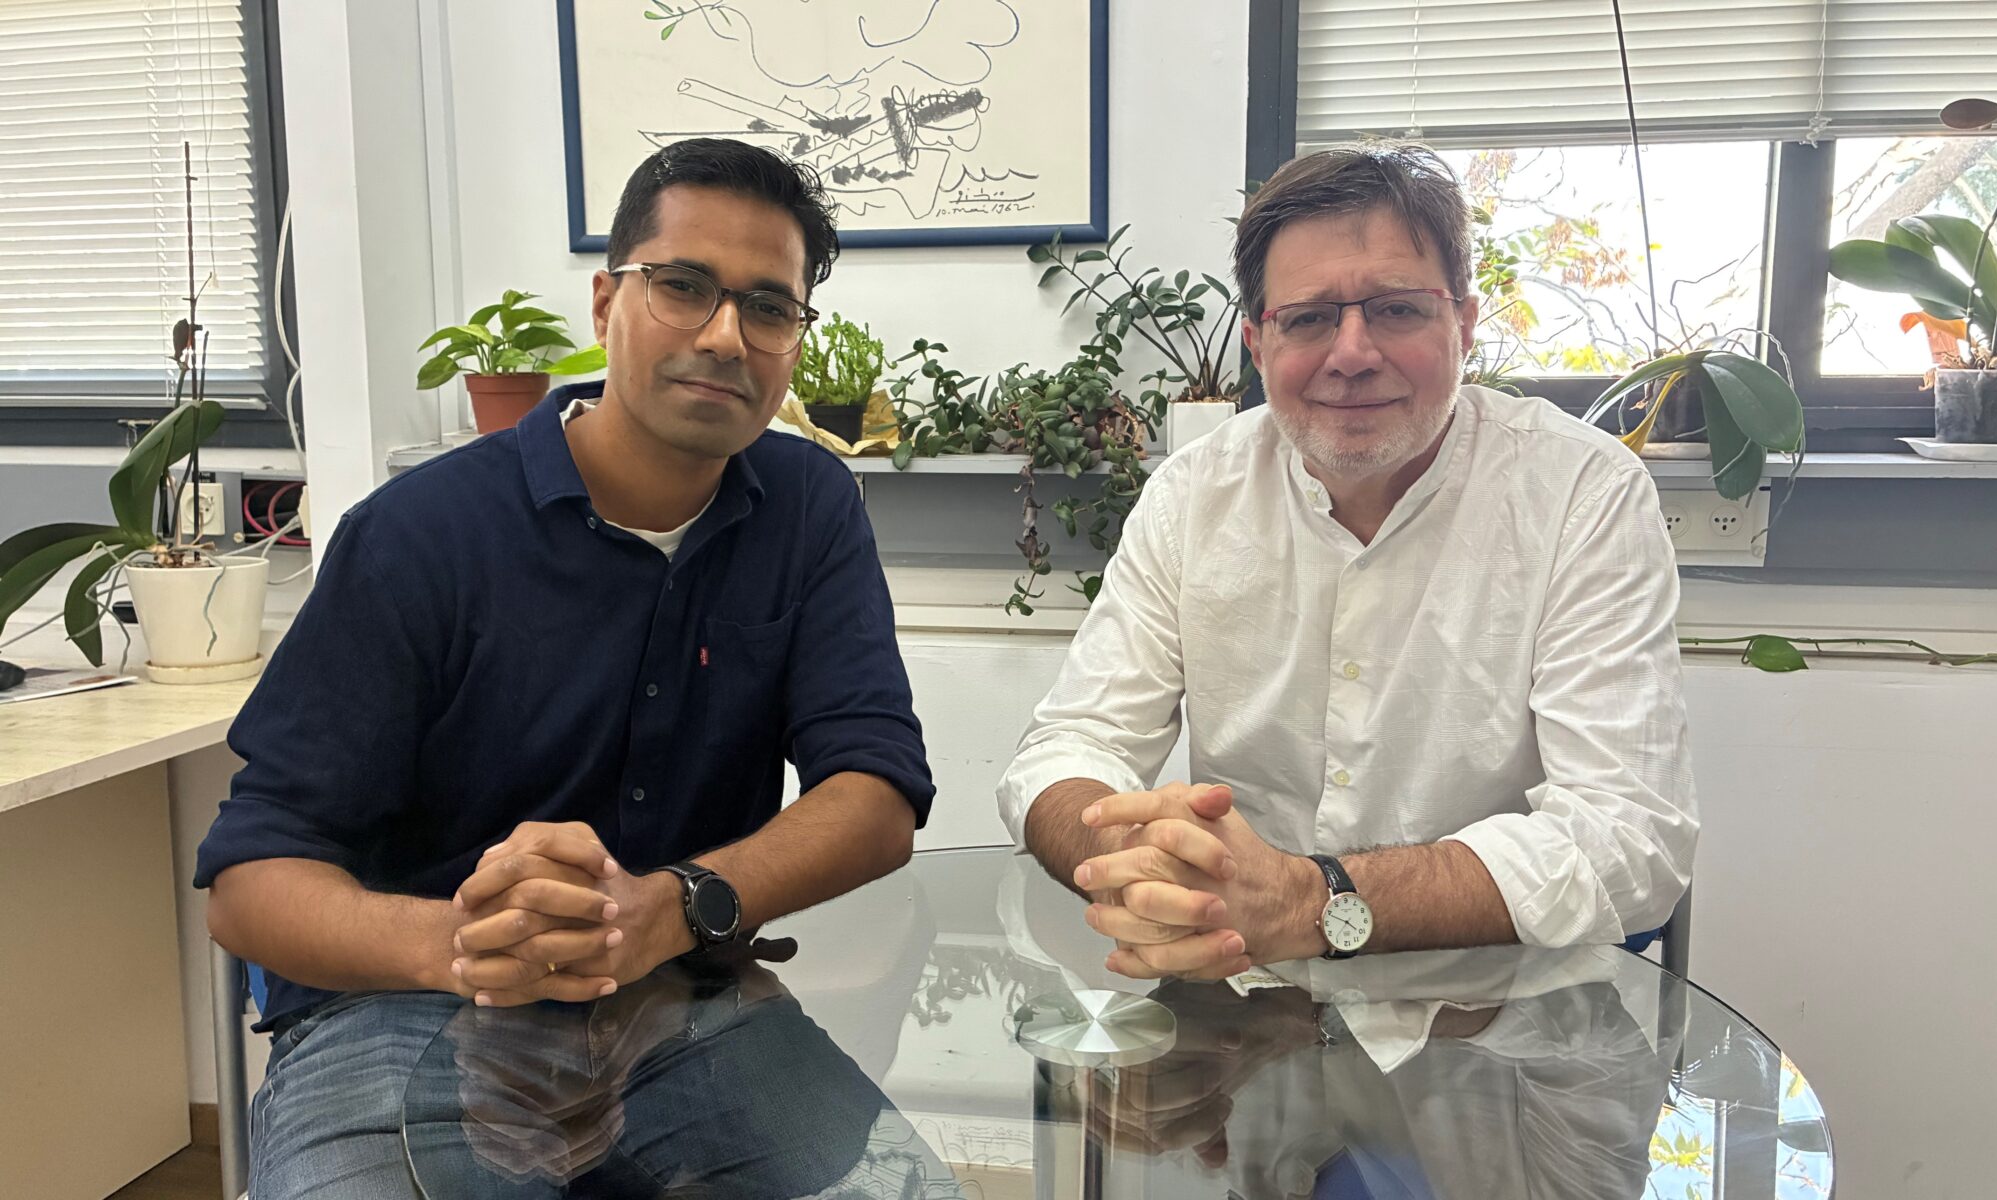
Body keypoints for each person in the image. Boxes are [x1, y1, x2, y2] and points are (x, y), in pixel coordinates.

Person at [197, 137, 933, 1195]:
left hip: (685, 996)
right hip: (404, 1005)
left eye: (768, 308)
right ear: (604, 304)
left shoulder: (809, 510)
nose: (725, 335)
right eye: (683, 286)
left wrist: (672, 908)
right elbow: (250, 884)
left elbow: (874, 795)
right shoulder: (417, 535)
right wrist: (467, 941)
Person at [997, 141, 1696, 981]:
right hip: (1248, 1000)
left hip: (1498, 1015)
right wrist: (1137, 862)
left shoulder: (1581, 492)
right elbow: (1070, 744)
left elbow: (1630, 837)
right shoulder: (1192, 495)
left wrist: (1308, 901)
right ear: (1259, 345)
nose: (1353, 352)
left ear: (1464, 325)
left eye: (1397, 309)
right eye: (1309, 318)